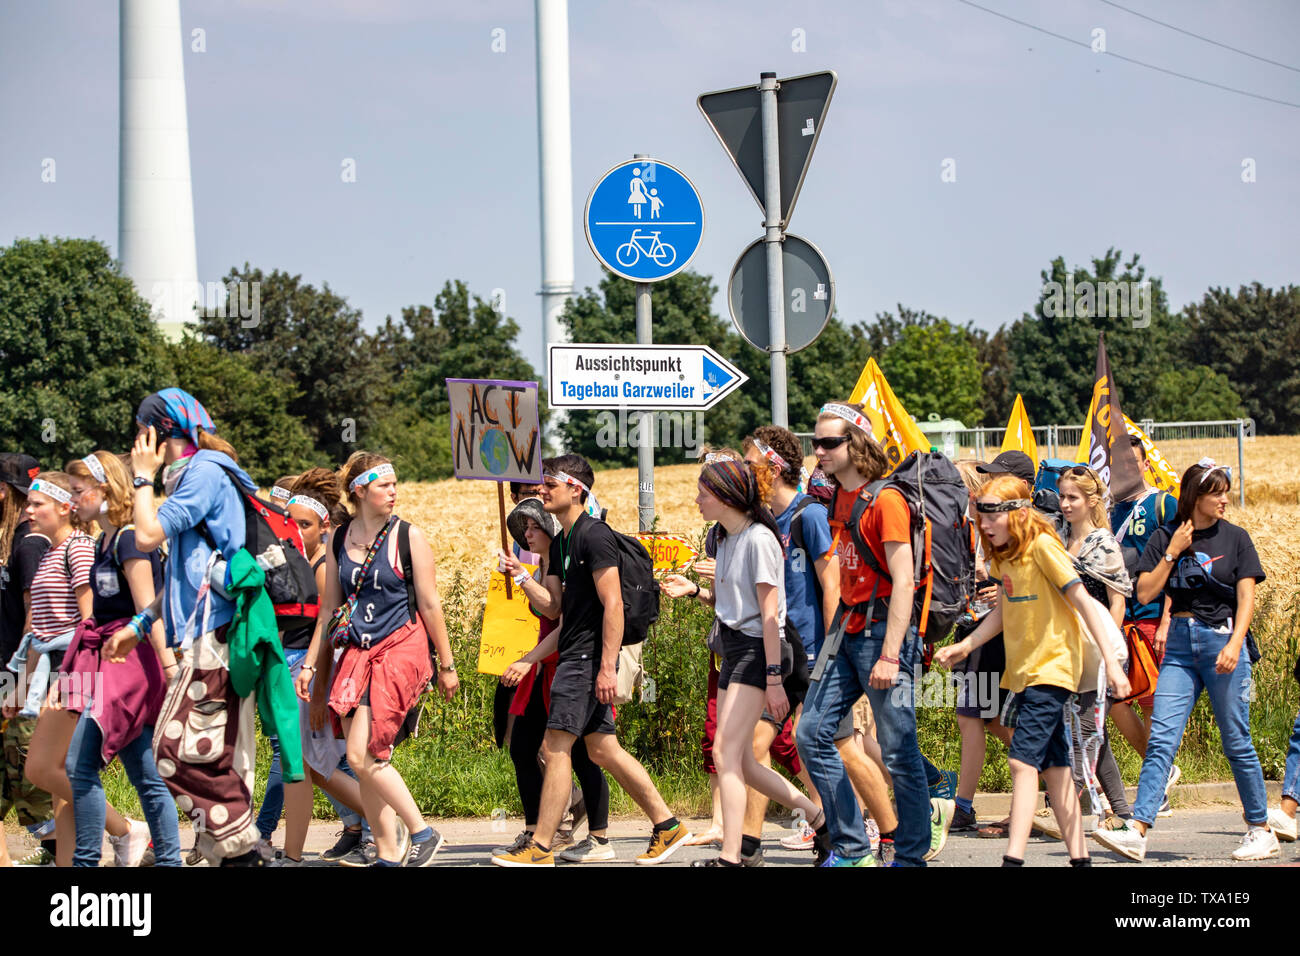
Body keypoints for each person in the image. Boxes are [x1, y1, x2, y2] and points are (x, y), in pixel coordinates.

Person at [125, 387, 302, 866]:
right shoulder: (192, 475)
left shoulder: (202, 472)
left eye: (141, 432)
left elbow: (145, 535)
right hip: (205, 633)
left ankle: (244, 847)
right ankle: (238, 852)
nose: (136, 444)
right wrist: (144, 622)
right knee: (219, 752)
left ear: (160, 432)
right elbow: (191, 570)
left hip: (219, 635)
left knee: (172, 748)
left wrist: (142, 481)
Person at [494, 454, 691, 866]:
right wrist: (531, 653)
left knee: (555, 746)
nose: (541, 491)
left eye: (549, 484)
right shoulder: (564, 540)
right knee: (602, 749)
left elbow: (613, 604)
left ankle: (542, 846)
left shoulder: (593, 536)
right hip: (573, 654)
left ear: (576, 489)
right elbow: (556, 613)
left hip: (585, 660)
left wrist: (605, 666)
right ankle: (668, 825)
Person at [934, 475, 1130, 867]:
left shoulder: (1044, 547)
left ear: (1017, 513)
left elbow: (1085, 603)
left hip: (1053, 669)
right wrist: (964, 645)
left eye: (991, 516)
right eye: (981, 515)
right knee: (1056, 769)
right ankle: (1080, 859)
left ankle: (1013, 859)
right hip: (1024, 671)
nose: (984, 524)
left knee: (1022, 763)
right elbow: (1005, 611)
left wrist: (1112, 663)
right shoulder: (1004, 555)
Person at [1093, 459, 1278, 862]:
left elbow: (1246, 597)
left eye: (1226, 491)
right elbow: (1143, 594)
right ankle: (1138, 830)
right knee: (1161, 738)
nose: (1225, 500)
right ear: (1196, 497)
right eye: (1217, 493)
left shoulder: (1236, 539)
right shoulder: (1165, 537)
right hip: (1178, 646)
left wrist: (1235, 644)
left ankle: (1261, 828)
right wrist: (1172, 553)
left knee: (1237, 741)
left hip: (1222, 640)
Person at [296, 452, 458, 867]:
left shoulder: (408, 537)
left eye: (394, 484)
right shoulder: (338, 539)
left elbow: (429, 604)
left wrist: (447, 664)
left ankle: (423, 831)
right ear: (360, 490)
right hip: (355, 652)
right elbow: (330, 606)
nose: (394, 491)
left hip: (399, 649)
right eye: (385, 485)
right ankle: (388, 851)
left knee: (362, 755)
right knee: (363, 760)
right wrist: (313, 665)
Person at [794, 401, 932, 867]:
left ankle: (910, 854)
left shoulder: (886, 501)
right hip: (847, 630)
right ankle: (853, 848)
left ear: (856, 443)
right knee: (810, 732)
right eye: (816, 442)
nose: (819, 451)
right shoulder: (838, 498)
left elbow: (905, 582)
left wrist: (891, 654)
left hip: (880, 636)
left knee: (897, 749)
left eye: (829, 442)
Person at [60, 451, 180, 867]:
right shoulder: (104, 540)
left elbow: (150, 610)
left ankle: (84, 863)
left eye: (79, 492)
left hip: (133, 667)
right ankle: (169, 860)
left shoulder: (129, 539)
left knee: (79, 765)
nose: (74, 501)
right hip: (112, 665)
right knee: (146, 774)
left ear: (105, 489)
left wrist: (169, 670)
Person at [257, 468, 367, 865]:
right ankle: (293, 853)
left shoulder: (322, 568)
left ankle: (389, 822)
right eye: (290, 523)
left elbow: (327, 635)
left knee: (312, 766)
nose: (294, 531)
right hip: (295, 671)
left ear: (323, 527)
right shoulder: (299, 561)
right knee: (303, 766)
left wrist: (319, 692)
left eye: (304, 524)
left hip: (310, 672)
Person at [496, 497, 612, 863]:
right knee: (523, 748)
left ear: (549, 528)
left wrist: (519, 576)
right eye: (524, 529)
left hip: (564, 661)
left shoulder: (562, 561)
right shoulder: (546, 562)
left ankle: (597, 836)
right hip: (544, 662)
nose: (527, 534)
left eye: (533, 527)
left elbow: (553, 610)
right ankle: (535, 831)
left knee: (583, 753)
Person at [1056, 465, 1134, 833]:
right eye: (1062, 496)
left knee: (1084, 728)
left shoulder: (1103, 543)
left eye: (1073, 497)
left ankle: (1068, 807)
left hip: (1097, 647)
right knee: (1088, 731)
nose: (1066, 504)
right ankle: (1121, 810)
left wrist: (1107, 652)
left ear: (1090, 501)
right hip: (1065, 644)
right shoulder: (1056, 537)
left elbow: (1117, 601)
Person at [1108, 434, 1179, 810]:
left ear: (1146, 465)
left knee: (1152, 704)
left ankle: (1157, 787)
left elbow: (1181, 563)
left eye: (1133, 463)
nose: (1126, 471)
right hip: (1119, 618)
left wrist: (1168, 619)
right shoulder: (1109, 508)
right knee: (1116, 702)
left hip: (1153, 618)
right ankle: (1161, 771)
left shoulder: (1163, 504)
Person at [948, 460, 1012, 834]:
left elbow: (1016, 572)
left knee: (973, 718)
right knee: (988, 718)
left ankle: (964, 805)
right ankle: (1053, 767)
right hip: (968, 631)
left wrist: (996, 581)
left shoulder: (988, 529)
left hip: (987, 630)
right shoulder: (961, 527)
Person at [0, 453, 58, 865]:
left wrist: (18, 683)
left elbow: (36, 622)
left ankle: (123, 833)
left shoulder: (30, 545)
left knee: (34, 786)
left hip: (19, 686)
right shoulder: (13, 541)